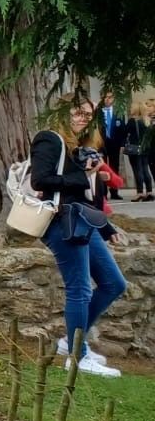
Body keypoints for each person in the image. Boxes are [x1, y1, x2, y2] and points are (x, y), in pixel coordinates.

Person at [30, 97, 130, 378]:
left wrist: (107, 229)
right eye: (78, 112)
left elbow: (84, 198)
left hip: (82, 222)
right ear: (62, 112)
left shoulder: (79, 147)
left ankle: (71, 341)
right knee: (80, 290)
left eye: (88, 114)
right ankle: (77, 356)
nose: (84, 118)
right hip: (62, 223)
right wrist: (82, 177)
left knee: (114, 283)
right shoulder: (49, 139)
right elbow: (40, 180)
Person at [128, 99, 153, 202]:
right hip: (146, 148)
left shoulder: (132, 121)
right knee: (145, 169)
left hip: (135, 148)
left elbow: (126, 133)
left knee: (137, 170)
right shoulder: (147, 121)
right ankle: (149, 192)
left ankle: (139, 193)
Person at [98, 89, 128, 175]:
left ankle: (113, 188)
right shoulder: (97, 112)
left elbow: (123, 129)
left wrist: (122, 144)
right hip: (101, 143)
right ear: (101, 98)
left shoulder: (119, 112)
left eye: (110, 97)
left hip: (115, 143)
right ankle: (102, 187)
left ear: (114, 98)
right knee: (101, 165)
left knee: (114, 165)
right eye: (105, 97)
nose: (107, 99)